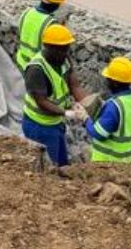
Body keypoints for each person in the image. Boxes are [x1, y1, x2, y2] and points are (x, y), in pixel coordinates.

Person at [22, 24, 88, 165]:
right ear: (48, 46)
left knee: (62, 163)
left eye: (66, 48)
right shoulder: (36, 70)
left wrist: (86, 104)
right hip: (39, 126)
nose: (64, 53)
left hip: (55, 123)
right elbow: (42, 102)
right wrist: (66, 113)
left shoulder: (63, 59)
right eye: (60, 49)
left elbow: (74, 84)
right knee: (49, 167)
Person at [83, 56, 131, 163]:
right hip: (128, 160)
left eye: (108, 79)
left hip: (107, 163)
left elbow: (99, 134)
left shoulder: (114, 106)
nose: (106, 81)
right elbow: (130, 120)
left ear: (114, 82)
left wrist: (85, 119)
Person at [15, 0, 66, 69]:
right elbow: (52, 53)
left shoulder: (26, 13)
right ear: (57, 5)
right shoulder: (50, 23)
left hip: (21, 62)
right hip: (37, 68)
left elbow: (19, 36)